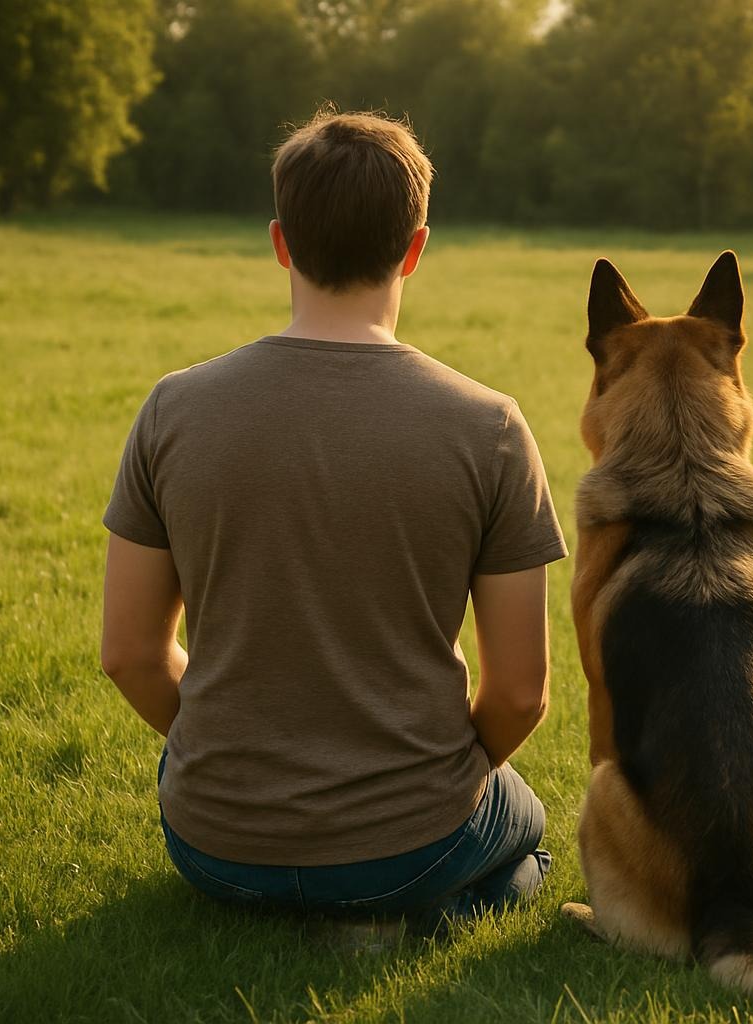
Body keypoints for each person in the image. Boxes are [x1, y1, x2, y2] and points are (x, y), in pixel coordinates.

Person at [100, 108, 568, 928]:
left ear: (281, 243)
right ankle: (413, 916)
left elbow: (131, 655)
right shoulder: (490, 427)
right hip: (409, 844)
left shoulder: (173, 409)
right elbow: (521, 694)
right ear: (416, 249)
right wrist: (424, 790)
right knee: (527, 840)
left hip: (213, 845)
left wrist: (225, 763)